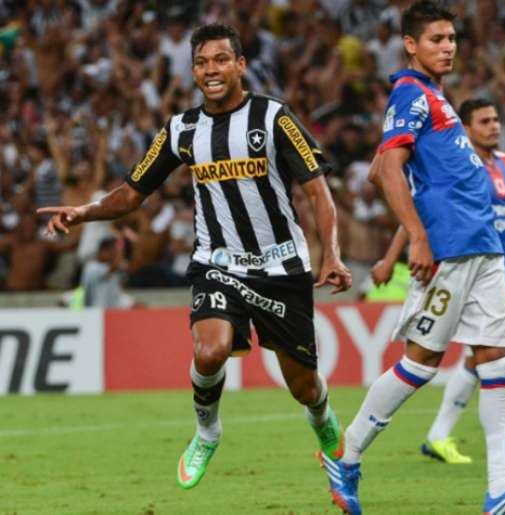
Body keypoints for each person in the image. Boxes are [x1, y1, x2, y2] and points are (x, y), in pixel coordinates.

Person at [38, 23, 352, 493]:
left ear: (241, 65)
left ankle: (322, 417)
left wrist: (332, 255)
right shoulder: (181, 130)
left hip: (281, 265)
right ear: (193, 71)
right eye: (202, 62)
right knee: (209, 351)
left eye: (221, 60)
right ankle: (207, 432)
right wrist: (82, 213)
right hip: (217, 261)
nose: (211, 70)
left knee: (303, 386)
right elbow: (131, 194)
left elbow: (317, 190)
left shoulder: (272, 118)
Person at [317, 3, 505, 514]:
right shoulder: (410, 93)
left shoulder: (436, 97)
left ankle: (501, 493)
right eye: (436, 39)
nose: (447, 46)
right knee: (421, 364)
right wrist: (417, 237)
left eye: (451, 38)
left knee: (497, 360)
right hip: (448, 246)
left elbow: (387, 166)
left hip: (483, 243)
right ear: (410, 44)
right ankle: (347, 452)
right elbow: (386, 171)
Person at [370, 98, 505, 466]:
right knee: (489, 355)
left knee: (482, 357)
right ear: (467, 128)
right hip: (462, 264)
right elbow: (415, 209)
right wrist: (390, 257)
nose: (494, 126)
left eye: (496, 119)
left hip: (497, 267)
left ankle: (439, 436)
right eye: (485, 120)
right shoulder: (455, 165)